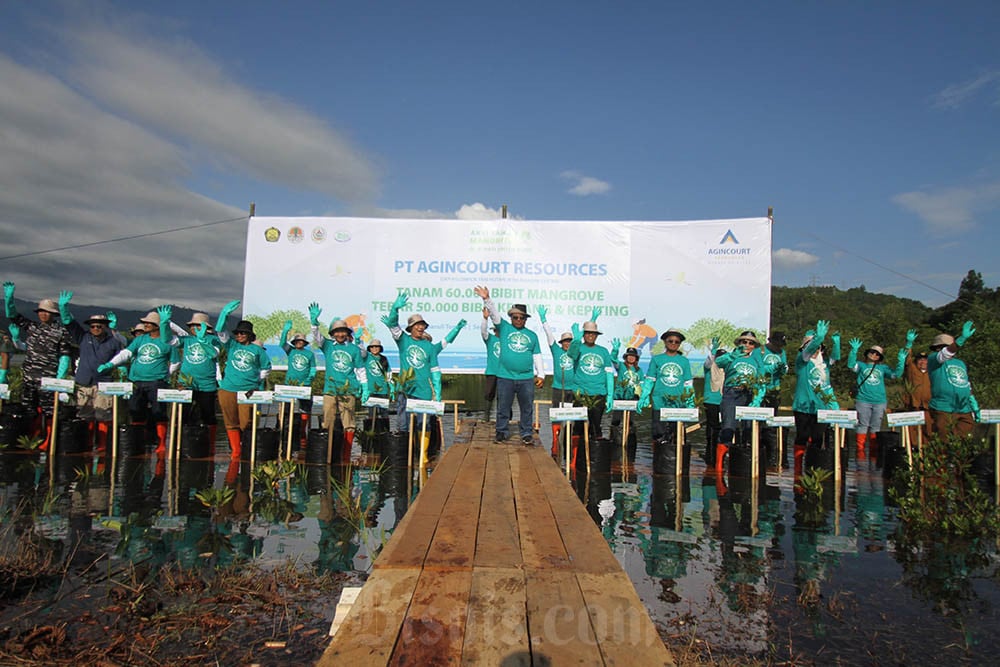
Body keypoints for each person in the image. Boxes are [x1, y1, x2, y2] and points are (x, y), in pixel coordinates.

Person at [4, 283, 74, 448]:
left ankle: (49, 441)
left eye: (47, 312)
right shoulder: (32, 327)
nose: (43, 314)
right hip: (29, 377)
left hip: (48, 378)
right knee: (29, 410)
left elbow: (65, 355)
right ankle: (31, 439)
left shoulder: (61, 332)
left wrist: (59, 377)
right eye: (41, 311)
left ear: (53, 314)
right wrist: (9, 298)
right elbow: (13, 315)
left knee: (50, 411)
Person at [98, 306, 174, 454]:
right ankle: (138, 441)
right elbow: (126, 353)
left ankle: (161, 444)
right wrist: (111, 364)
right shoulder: (140, 339)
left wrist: (166, 374)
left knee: (159, 412)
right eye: (145, 323)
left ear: (157, 325)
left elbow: (175, 362)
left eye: (148, 323)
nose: (145, 325)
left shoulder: (167, 342)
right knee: (135, 411)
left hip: (157, 382)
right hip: (137, 381)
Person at [474, 286, 545, 445]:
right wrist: (486, 299)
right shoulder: (504, 328)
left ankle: (526, 433)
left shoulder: (532, 335)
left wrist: (541, 374)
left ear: (526, 319)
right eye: (515, 317)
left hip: (526, 378)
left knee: (527, 409)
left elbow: (537, 355)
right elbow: (494, 315)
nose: (518, 320)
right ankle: (501, 432)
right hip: (505, 376)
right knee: (503, 407)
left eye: (521, 318)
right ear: (511, 317)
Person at [380, 293, 443, 448]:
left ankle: (422, 456)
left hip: (424, 390)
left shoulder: (429, 346)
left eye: (423, 325)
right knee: (403, 424)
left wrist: (437, 391)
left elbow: (435, 370)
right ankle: (405, 454)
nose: (421, 327)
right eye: (418, 325)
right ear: (411, 328)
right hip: (406, 389)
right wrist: (395, 309)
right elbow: (393, 326)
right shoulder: (403, 341)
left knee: (424, 423)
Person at [62, 303, 126, 451]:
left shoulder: (114, 341)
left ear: (105, 327)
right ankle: (88, 442)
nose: (96, 328)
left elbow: (122, 359)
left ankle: (103, 444)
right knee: (85, 414)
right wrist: (63, 308)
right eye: (93, 326)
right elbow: (68, 322)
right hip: (83, 383)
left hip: (104, 384)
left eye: (99, 326)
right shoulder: (83, 337)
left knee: (103, 414)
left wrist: (123, 379)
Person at [310, 303, 370, 461]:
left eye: (343, 331)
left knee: (348, 423)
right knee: (327, 420)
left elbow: (360, 369)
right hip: (330, 389)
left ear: (347, 333)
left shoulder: (354, 349)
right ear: (333, 333)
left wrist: (364, 387)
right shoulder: (328, 346)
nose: (340, 334)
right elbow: (317, 337)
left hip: (348, 390)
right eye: (337, 331)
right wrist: (314, 322)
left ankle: (346, 455)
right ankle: (328, 453)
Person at [712, 330, 773, 471]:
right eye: (744, 341)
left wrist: (757, 399)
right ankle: (719, 465)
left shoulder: (756, 361)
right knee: (728, 427)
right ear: (739, 343)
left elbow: (761, 381)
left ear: (754, 346)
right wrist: (733, 355)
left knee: (748, 429)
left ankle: (745, 465)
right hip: (731, 393)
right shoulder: (731, 356)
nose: (747, 344)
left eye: (750, 343)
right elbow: (719, 362)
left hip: (749, 394)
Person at [215, 318, 272, 458]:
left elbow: (266, 367)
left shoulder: (257, 350)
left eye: (243, 333)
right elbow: (221, 333)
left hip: (247, 391)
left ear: (249, 335)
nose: (239, 335)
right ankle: (236, 450)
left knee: (246, 422)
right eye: (238, 333)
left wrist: (256, 381)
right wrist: (224, 316)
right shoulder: (232, 345)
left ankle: (246, 447)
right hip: (228, 388)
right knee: (230, 421)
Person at [847, 332, 909, 457]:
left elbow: (896, 375)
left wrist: (901, 362)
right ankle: (860, 452)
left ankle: (873, 453)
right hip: (863, 399)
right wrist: (853, 351)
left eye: (877, 354)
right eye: (872, 352)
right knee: (862, 425)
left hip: (880, 401)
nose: (874, 355)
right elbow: (850, 365)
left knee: (876, 427)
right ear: (867, 353)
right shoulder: (861, 365)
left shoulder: (883, 368)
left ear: (880, 357)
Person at [791, 321, 840, 476]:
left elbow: (836, 357)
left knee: (818, 438)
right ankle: (798, 470)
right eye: (810, 346)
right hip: (803, 406)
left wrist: (836, 342)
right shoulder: (802, 360)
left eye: (818, 347)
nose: (814, 350)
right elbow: (809, 349)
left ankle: (812, 469)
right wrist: (818, 338)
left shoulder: (824, 364)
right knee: (802, 436)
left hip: (821, 408)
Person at [638, 328, 695, 443]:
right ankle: (657, 459)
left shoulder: (684, 361)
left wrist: (690, 402)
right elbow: (650, 379)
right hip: (659, 402)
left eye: (676, 341)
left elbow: (688, 384)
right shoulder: (656, 359)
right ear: (665, 341)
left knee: (677, 437)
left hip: (678, 403)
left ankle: (676, 460)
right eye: (670, 341)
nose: (673, 343)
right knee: (658, 436)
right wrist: (644, 395)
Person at [927, 321, 979, 439]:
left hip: (963, 408)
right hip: (943, 408)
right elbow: (944, 354)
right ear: (938, 348)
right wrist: (961, 340)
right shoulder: (934, 358)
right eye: (947, 346)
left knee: (962, 440)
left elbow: (966, 384)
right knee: (943, 440)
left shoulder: (960, 363)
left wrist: (972, 401)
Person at [537, 304, 576, 455]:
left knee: (572, 415)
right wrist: (544, 320)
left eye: (570, 341)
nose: (567, 343)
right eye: (565, 341)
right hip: (558, 388)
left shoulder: (576, 353)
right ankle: (555, 440)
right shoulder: (556, 351)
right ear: (562, 343)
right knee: (556, 414)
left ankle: (568, 440)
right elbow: (549, 336)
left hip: (572, 389)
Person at [567, 320, 615, 441]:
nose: (590, 336)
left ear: (597, 336)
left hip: (599, 393)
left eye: (593, 334)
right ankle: (577, 456)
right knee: (578, 427)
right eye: (587, 333)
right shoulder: (578, 348)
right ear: (583, 335)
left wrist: (610, 395)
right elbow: (571, 354)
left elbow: (609, 374)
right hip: (580, 393)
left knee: (596, 426)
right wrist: (575, 341)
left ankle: (595, 456)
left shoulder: (603, 351)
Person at [281, 326, 318, 441]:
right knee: (287, 409)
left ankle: (302, 432)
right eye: (297, 341)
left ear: (304, 343)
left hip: (304, 386)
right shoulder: (290, 351)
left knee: (305, 408)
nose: (299, 343)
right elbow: (282, 343)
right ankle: (286, 431)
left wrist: (309, 379)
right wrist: (285, 331)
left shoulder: (309, 354)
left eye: (301, 341)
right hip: (289, 385)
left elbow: (313, 368)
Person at [760, 331, 789, 457]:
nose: (778, 348)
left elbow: (785, 368)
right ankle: (759, 445)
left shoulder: (782, 353)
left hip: (774, 389)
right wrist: (768, 369)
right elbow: (757, 367)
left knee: (772, 419)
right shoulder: (760, 351)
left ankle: (771, 451)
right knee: (760, 419)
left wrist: (783, 370)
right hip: (761, 389)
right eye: (776, 344)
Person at [902, 338, 932, 442]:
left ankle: (927, 449)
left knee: (929, 429)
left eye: (925, 359)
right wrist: (909, 344)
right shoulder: (912, 368)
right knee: (912, 429)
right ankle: (913, 448)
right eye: (920, 359)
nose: (922, 361)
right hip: (913, 404)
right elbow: (907, 357)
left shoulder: (933, 371)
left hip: (929, 406)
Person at [702, 347, 726, 466]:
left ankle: (720, 456)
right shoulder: (709, 367)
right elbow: (708, 362)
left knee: (724, 429)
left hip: (725, 402)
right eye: (719, 357)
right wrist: (712, 352)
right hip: (711, 401)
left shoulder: (728, 369)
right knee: (712, 428)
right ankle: (710, 456)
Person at [480, 307, 503, 422]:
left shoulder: (508, 340)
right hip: (492, 372)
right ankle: (486, 417)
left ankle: (504, 418)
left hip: (505, 372)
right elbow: (483, 331)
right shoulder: (490, 339)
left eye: (499, 330)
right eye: (496, 330)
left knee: (503, 396)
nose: (497, 332)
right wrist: (485, 318)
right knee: (489, 394)